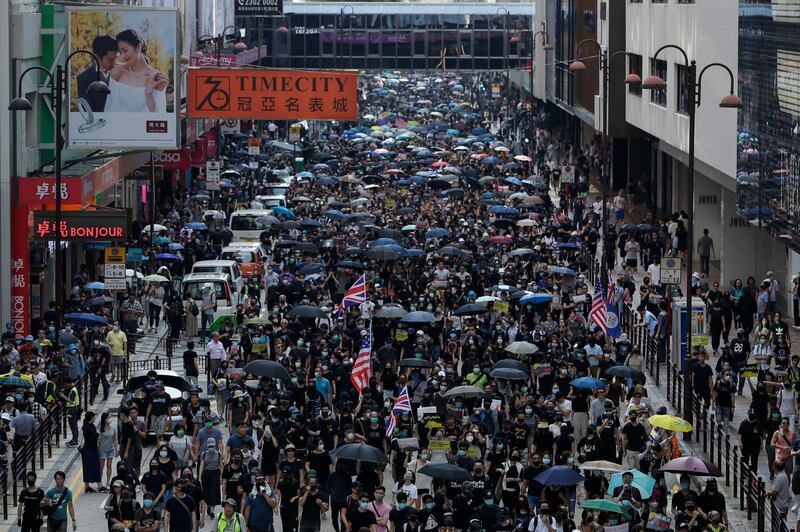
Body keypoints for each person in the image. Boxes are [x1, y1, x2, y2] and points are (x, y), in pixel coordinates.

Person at [104, 29, 168, 113]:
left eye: (125, 50)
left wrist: (148, 91)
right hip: (119, 124)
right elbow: (109, 107)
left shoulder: (156, 77)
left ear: (138, 47)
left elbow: (158, 116)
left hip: (142, 125)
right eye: (120, 52)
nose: (122, 56)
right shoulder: (117, 72)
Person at [77, 35, 117, 112]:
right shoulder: (84, 78)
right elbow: (87, 110)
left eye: (116, 59)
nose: (114, 64)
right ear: (97, 56)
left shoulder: (121, 73)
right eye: (110, 60)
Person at [80, 411, 102, 493]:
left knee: (96, 467)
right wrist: (96, 435)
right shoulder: (86, 427)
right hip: (88, 450)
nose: (95, 418)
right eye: (94, 416)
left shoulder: (92, 425)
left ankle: (99, 485)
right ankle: (87, 487)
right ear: (91, 417)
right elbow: (88, 440)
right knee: (88, 468)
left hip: (93, 449)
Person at [97, 412, 118, 491]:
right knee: (101, 467)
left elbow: (115, 439)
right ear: (104, 419)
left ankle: (108, 482)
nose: (110, 419)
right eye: (108, 417)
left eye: (110, 417)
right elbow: (97, 440)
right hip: (102, 450)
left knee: (109, 466)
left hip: (110, 450)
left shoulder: (113, 428)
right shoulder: (100, 428)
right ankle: (100, 483)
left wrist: (116, 449)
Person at [59, 377, 81, 447]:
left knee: (73, 425)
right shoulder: (71, 388)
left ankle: (75, 440)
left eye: (65, 384)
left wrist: (63, 396)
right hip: (71, 409)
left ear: (69, 383)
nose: (65, 385)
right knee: (72, 425)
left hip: (73, 409)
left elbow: (71, 401)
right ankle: (74, 439)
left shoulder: (73, 390)